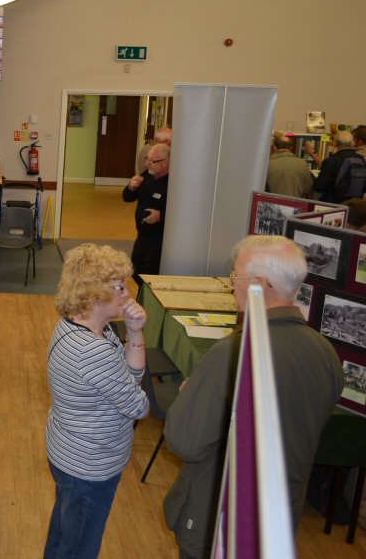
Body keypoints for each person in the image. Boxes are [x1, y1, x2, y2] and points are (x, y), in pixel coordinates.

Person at [163, 235, 343, 559]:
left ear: (260, 285)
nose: (232, 286)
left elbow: (183, 440)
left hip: (221, 519)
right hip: (280, 520)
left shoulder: (233, 354)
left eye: (236, 276)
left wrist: (192, 394)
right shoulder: (324, 352)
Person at [43, 244, 149, 559]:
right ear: (94, 293)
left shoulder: (81, 328)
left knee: (63, 535)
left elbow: (130, 377)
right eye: (118, 287)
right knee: (79, 548)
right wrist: (136, 340)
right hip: (89, 465)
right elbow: (139, 406)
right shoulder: (94, 350)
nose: (127, 294)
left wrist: (133, 332)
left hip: (67, 451)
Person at [122, 142, 170, 280]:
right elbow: (127, 198)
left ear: (165, 163)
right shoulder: (147, 175)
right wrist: (131, 187)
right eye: (147, 159)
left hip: (160, 241)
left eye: (152, 161)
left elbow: (184, 214)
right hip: (142, 236)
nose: (148, 163)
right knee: (136, 273)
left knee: (148, 277)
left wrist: (160, 216)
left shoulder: (173, 183)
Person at [312, 130, 366, 202]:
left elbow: (319, 186)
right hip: (354, 203)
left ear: (335, 144)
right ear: (352, 143)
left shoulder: (331, 161)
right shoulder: (360, 159)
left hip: (334, 204)